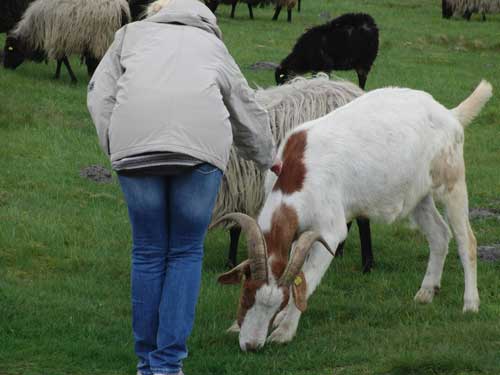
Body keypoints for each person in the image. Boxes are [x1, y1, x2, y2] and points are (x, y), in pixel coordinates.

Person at [86, 0, 275, 374]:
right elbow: (244, 106)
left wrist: (117, 142)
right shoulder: (211, 44)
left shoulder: (129, 35)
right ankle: (169, 365)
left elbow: (98, 94)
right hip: (199, 154)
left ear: (155, 11)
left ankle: (146, 363)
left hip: (136, 151)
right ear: (204, 14)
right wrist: (268, 156)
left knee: (148, 252)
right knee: (186, 253)